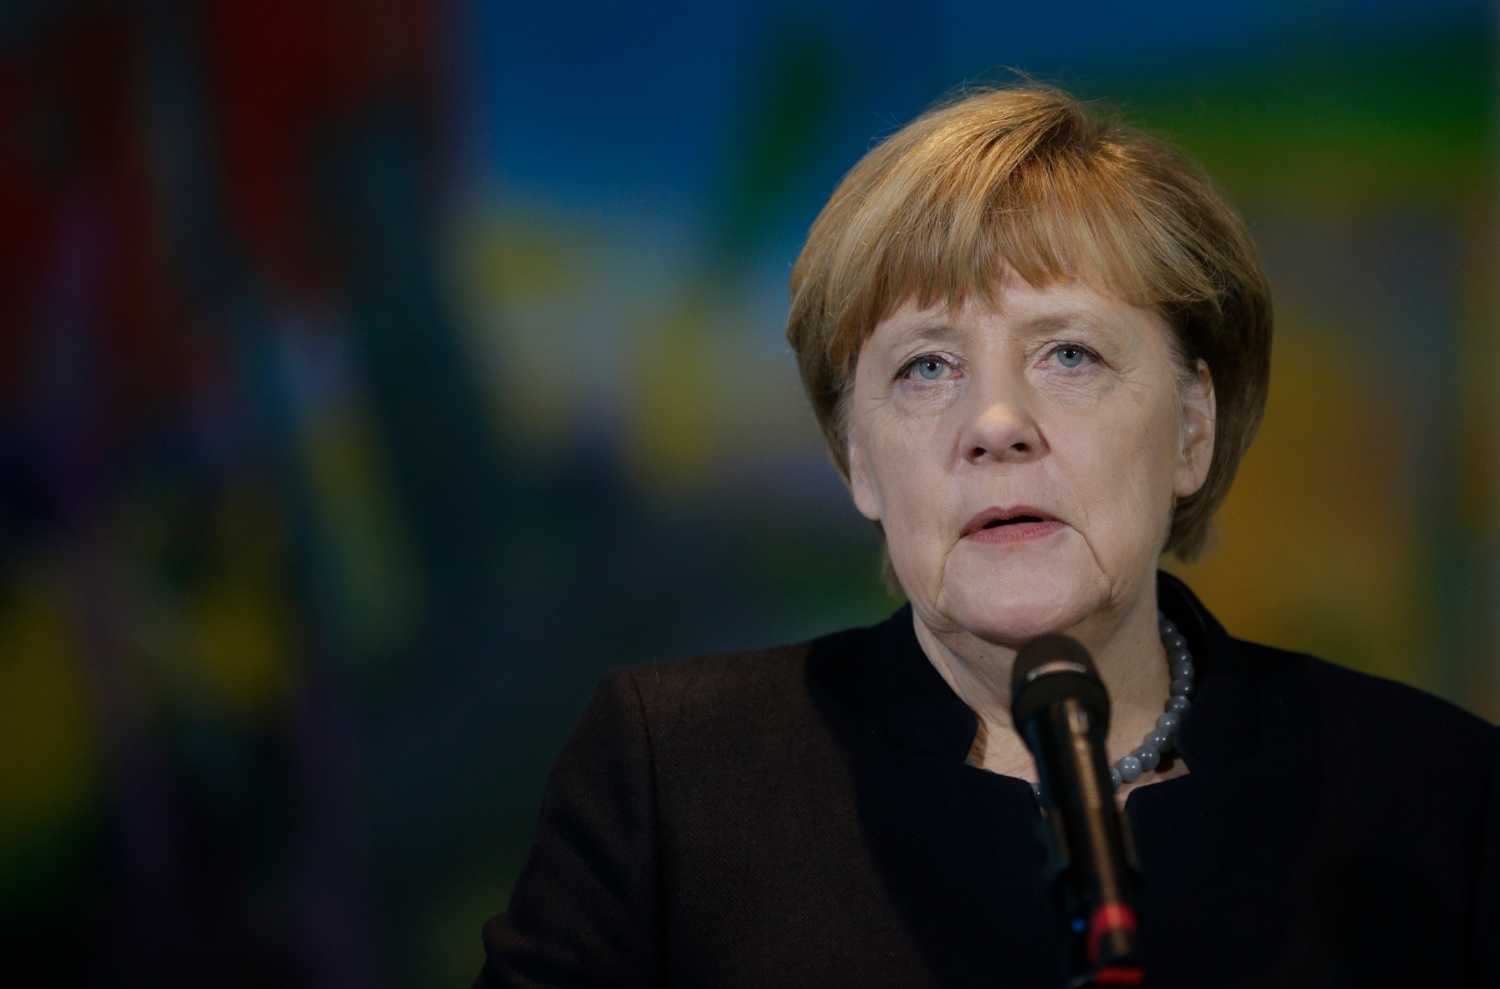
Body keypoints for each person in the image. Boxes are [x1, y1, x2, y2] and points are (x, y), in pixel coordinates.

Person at [475, 84, 1497, 988]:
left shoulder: (1432, 796)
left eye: (1067, 352)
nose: (995, 421)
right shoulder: (677, 777)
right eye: (927, 366)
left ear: (1193, 427)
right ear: (857, 460)